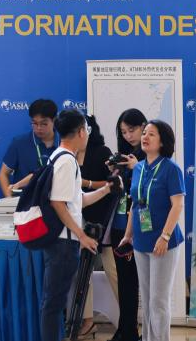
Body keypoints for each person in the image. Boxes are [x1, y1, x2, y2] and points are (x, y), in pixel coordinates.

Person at [40, 109, 114, 341]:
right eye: (87, 130)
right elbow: (58, 203)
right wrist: (81, 234)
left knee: (55, 302)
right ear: (81, 132)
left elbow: (76, 200)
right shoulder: (66, 161)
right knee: (54, 304)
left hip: (62, 241)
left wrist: (107, 189)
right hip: (63, 243)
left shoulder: (61, 157)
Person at [119, 120, 185, 341]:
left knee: (158, 301)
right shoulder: (138, 167)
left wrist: (165, 236)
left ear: (163, 141)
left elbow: (177, 205)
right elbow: (135, 205)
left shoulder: (171, 169)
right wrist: (128, 235)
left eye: (152, 134)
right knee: (147, 302)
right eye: (144, 133)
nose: (145, 137)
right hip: (141, 242)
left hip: (163, 243)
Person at [106, 108, 147, 341]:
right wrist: (115, 171)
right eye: (123, 132)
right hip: (119, 224)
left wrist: (136, 167)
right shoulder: (125, 155)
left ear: (143, 127)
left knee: (135, 282)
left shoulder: (149, 156)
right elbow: (117, 191)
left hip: (140, 226)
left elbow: (151, 189)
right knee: (125, 281)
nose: (128, 136)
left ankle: (131, 331)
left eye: (132, 130)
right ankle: (126, 329)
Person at [76, 115, 117, 338]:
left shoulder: (102, 152)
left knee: (113, 270)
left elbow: (113, 183)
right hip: (77, 220)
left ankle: (129, 320)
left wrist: (87, 184)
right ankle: (87, 320)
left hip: (103, 219)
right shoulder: (68, 154)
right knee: (82, 273)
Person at [0, 99, 59, 196]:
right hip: (24, 202)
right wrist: (9, 199)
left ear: (54, 120)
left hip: (55, 201)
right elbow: (3, 173)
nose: (39, 128)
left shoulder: (64, 143)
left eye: (44, 124)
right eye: (34, 123)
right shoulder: (19, 143)